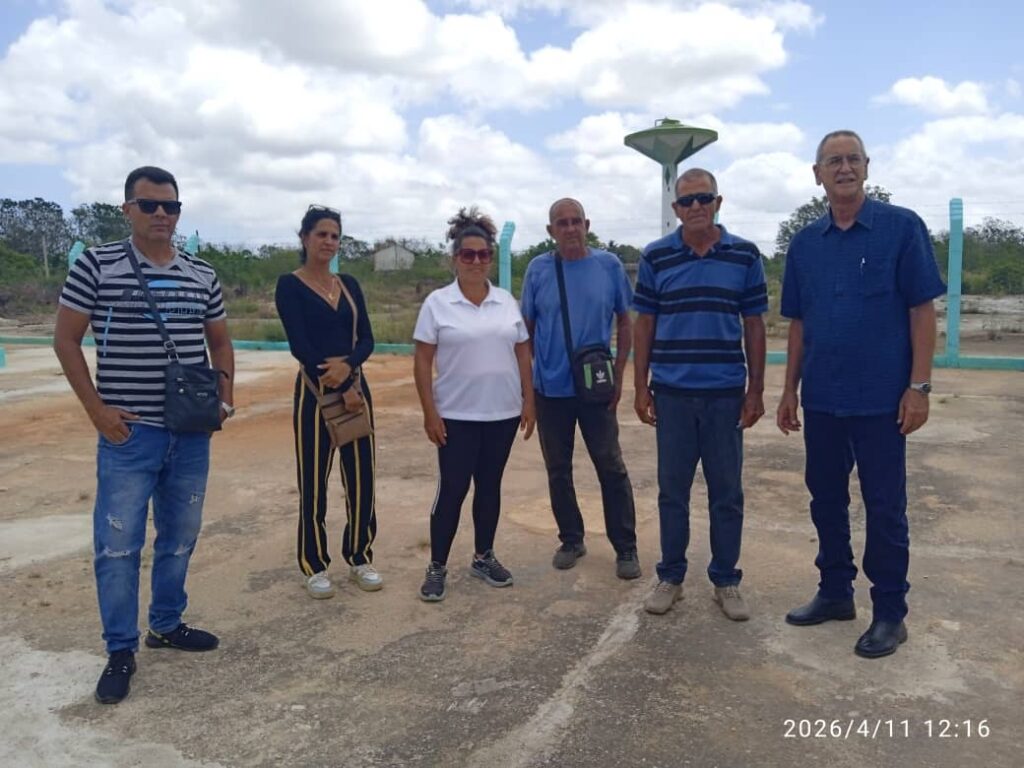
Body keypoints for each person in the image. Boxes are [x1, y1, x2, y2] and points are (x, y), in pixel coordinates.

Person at [54, 166, 234, 705]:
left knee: (181, 534)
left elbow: (220, 341)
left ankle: (166, 624)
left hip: (190, 433)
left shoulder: (201, 273)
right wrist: (96, 410)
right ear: (127, 209)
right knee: (118, 546)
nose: (161, 214)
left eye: (170, 206)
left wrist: (224, 397)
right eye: (149, 204)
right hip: (128, 435)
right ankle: (120, 649)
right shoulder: (97, 264)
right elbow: (66, 340)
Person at [777, 130, 946, 658]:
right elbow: (799, 322)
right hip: (822, 398)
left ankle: (891, 612)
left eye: (853, 159)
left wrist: (919, 387)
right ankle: (835, 593)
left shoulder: (901, 228)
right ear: (818, 175)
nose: (844, 168)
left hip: (882, 401)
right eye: (834, 161)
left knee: (885, 507)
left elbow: (921, 310)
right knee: (826, 499)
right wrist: (788, 390)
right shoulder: (805, 244)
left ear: (867, 167)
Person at [633, 169, 768, 620]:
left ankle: (726, 581)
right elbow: (645, 324)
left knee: (726, 493)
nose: (696, 207)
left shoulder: (744, 256)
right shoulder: (656, 257)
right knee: (672, 492)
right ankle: (670, 577)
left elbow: (754, 324)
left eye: (703, 198)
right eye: (687, 201)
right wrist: (639, 387)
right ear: (675, 208)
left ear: (718, 202)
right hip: (671, 394)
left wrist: (755, 390)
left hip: (725, 395)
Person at [413, 208, 535, 602]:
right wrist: (430, 412)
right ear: (455, 259)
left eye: (483, 254)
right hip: (456, 416)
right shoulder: (437, 303)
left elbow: (522, 352)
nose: (477, 261)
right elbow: (422, 360)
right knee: (452, 490)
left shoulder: (505, 301)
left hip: (502, 413)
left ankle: (484, 556)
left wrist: (529, 400)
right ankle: (437, 566)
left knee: (489, 487)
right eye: (468, 254)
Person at [520, 198, 640, 579]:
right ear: (550, 231)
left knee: (611, 466)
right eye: (562, 223)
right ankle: (571, 539)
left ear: (587, 225)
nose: (570, 228)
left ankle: (626, 546)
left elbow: (625, 321)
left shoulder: (609, 266)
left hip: (596, 388)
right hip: (551, 391)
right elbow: (527, 330)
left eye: (576, 221)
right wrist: (533, 381)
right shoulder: (538, 270)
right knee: (558, 469)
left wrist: (619, 373)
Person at [274, 205, 382, 600]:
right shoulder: (290, 285)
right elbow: (299, 343)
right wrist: (332, 374)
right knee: (314, 480)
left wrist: (348, 369)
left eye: (335, 236)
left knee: (362, 477)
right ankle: (314, 564)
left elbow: (367, 338)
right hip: (314, 390)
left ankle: (360, 556)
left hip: (354, 390)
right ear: (305, 238)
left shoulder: (349, 284)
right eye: (321, 234)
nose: (329, 241)